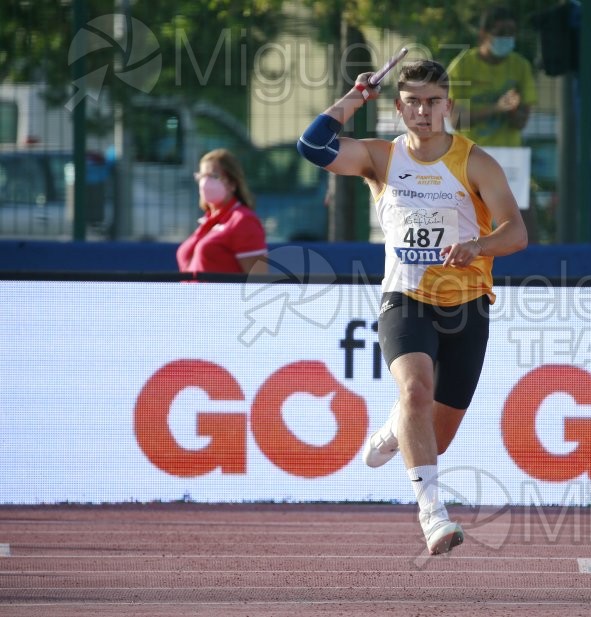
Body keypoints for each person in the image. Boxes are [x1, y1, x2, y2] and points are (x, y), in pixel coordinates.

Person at [297, 60, 527, 555]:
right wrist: (354, 99)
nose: (423, 111)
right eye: (414, 102)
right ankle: (433, 515)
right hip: (405, 300)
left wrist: (479, 247)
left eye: (433, 101)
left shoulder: (476, 162)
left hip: (466, 306)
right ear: (400, 107)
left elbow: (517, 233)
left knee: (434, 438)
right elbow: (312, 147)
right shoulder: (381, 158)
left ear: (448, 106)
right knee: (416, 390)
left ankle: (393, 428)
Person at [446, 6, 537, 147]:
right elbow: (457, 121)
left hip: (509, 155)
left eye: (511, 33)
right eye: (501, 33)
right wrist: (496, 108)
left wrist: (512, 109)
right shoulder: (462, 67)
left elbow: (521, 123)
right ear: (483, 34)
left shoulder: (521, 66)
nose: (507, 38)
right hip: (469, 154)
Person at [176, 148, 268, 274]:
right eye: (202, 176)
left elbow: (258, 280)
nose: (205, 183)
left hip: (220, 294)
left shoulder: (243, 220)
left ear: (232, 184)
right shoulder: (207, 222)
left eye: (214, 176)